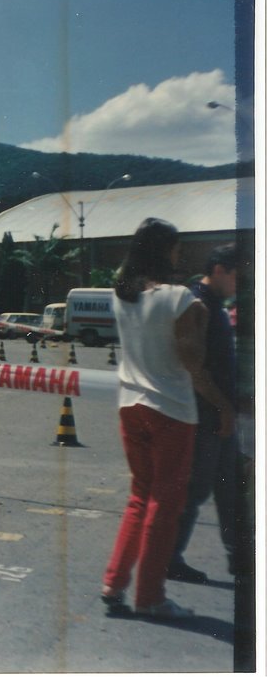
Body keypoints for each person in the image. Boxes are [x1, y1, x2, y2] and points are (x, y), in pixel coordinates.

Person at [100, 217, 221, 620]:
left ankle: (114, 583)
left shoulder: (122, 296)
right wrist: (223, 405)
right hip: (171, 409)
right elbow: (194, 363)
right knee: (164, 505)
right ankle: (150, 596)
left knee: (140, 498)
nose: (179, 254)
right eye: (175, 247)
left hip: (130, 405)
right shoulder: (179, 298)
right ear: (163, 251)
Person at [167, 244, 238, 584]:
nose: (244, 282)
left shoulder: (217, 305)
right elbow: (195, 367)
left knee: (231, 488)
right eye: (240, 275)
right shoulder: (198, 303)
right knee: (196, 489)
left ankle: (241, 560)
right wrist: (224, 406)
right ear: (221, 269)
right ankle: (170, 558)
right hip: (205, 414)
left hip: (221, 412)